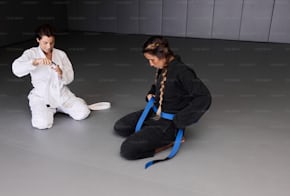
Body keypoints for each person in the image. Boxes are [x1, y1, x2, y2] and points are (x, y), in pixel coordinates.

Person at [114, 36, 211, 167]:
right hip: (155, 113)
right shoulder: (163, 66)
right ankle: (150, 132)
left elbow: (204, 97)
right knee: (120, 127)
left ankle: (168, 142)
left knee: (127, 150)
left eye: (152, 60)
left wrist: (179, 121)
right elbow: (158, 87)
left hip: (168, 123)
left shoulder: (183, 72)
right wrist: (151, 94)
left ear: (163, 55)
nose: (150, 64)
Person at [12, 24, 90, 129]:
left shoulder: (61, 54)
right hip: (42, 97)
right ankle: (48, 110)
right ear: (38, 40)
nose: (49, 46)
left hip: (61, 95)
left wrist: (60, 73)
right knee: (41, 124)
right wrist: (34, 62)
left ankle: (62, 107)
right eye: (45, 43)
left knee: (83, 113)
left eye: (51, 42)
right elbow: (16, 69)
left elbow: (70, 77)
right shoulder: (31, 53)